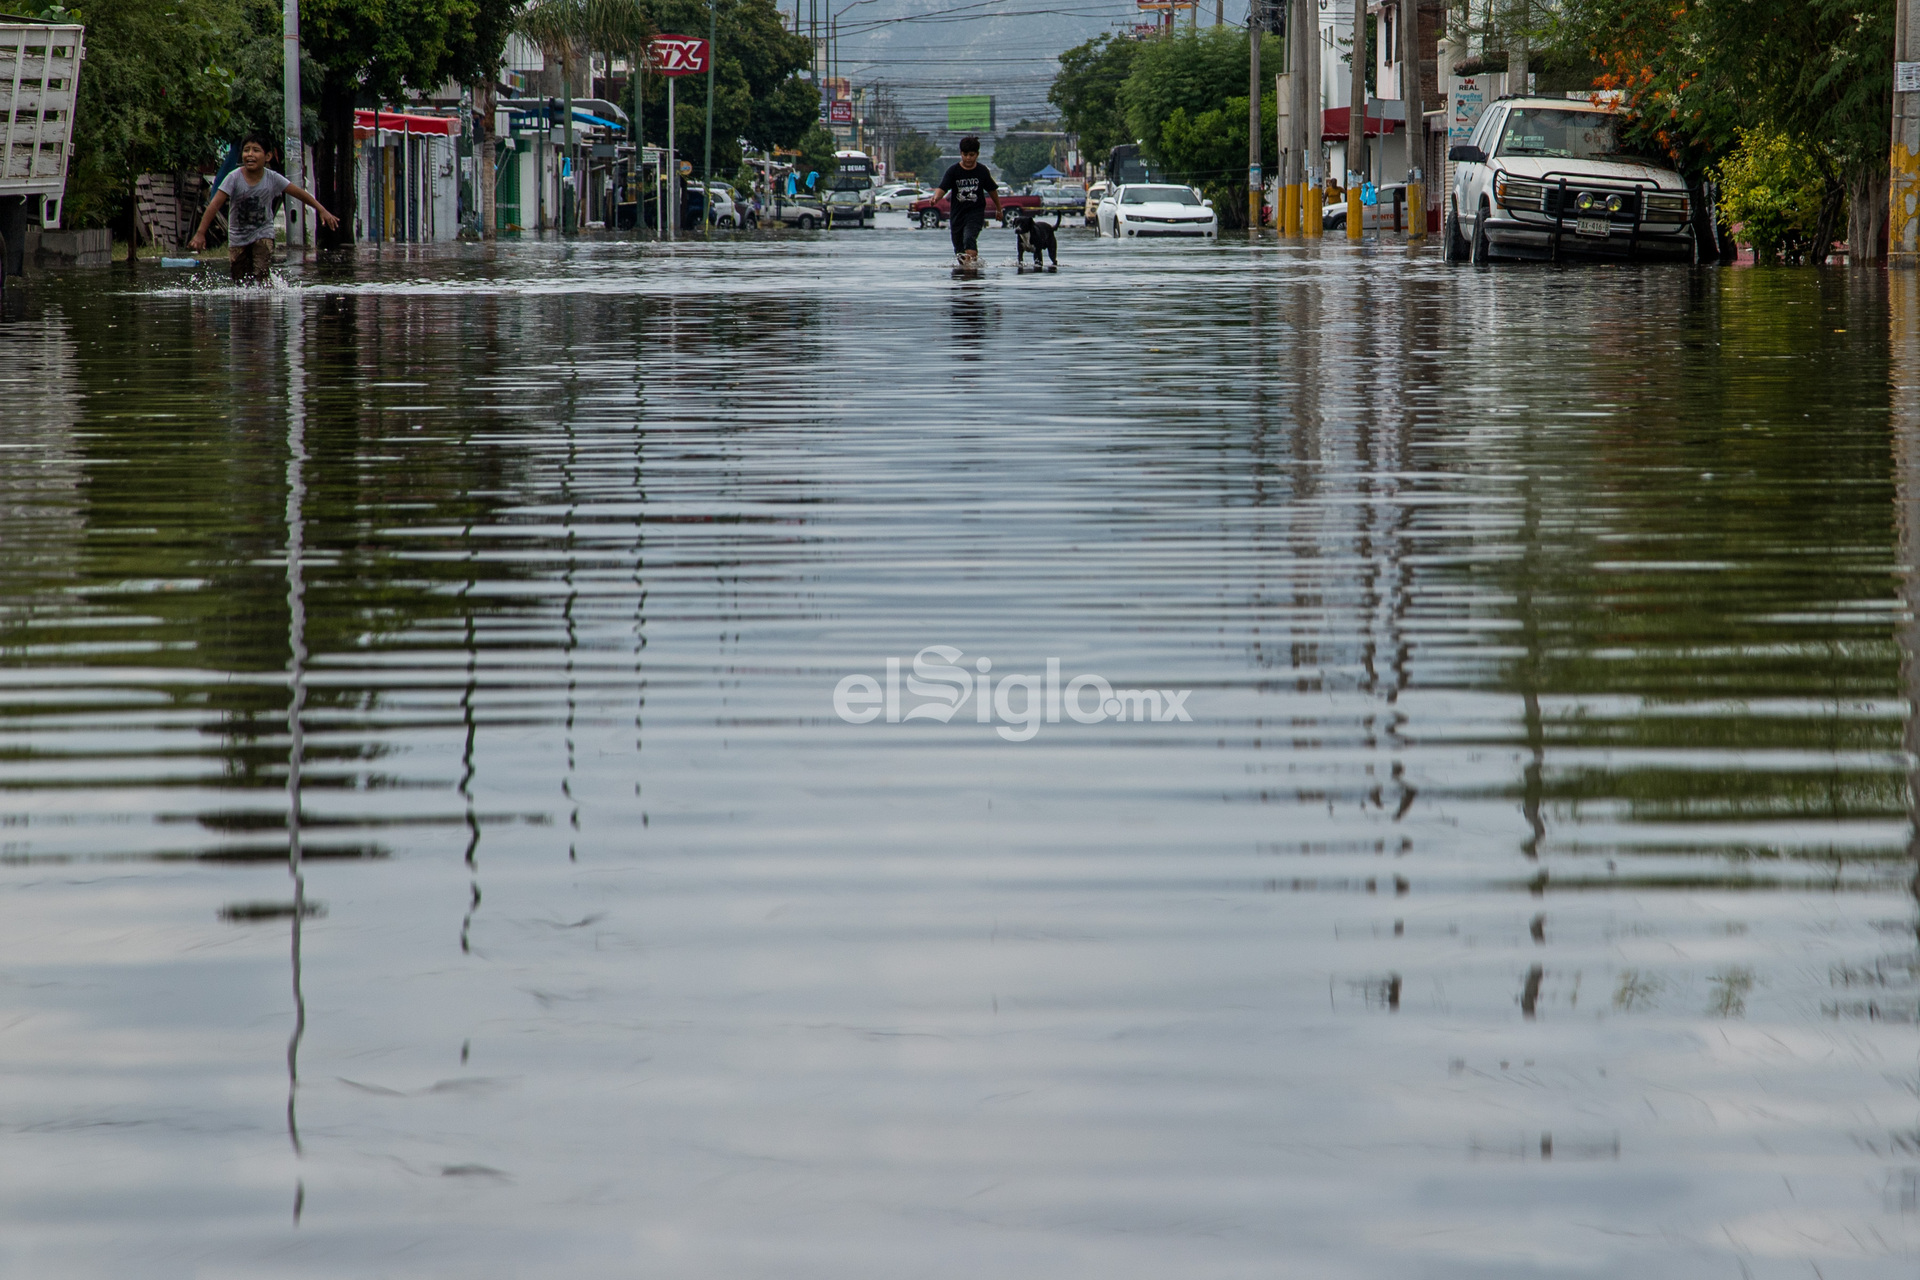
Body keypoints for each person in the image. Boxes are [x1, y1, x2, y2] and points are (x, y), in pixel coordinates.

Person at [189, 134, 339, 283]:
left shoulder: (273, 178)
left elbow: (299, 194)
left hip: (263, 234)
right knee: (240, 281)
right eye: (246, 150)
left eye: (256, 150)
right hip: (238, 237)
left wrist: (322, 210)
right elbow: (214, 206)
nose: (250, 154)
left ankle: (264, 303)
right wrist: (200, 233)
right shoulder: (233, 178)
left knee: (261, 274)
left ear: (268, 156)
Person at [930, 136, 999, 267]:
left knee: (969, 238)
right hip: (957, 214)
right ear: (961, 153)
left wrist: (999, 209)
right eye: (965, 154)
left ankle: (971, 274)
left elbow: (992, 190)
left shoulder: (982, 171)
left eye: (971, 155)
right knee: (959, 250)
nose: (968, 158)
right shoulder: (953, 171)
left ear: (977, 155)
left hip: (975, 213)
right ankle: (967, 274)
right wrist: (936, 198)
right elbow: (943, 187)